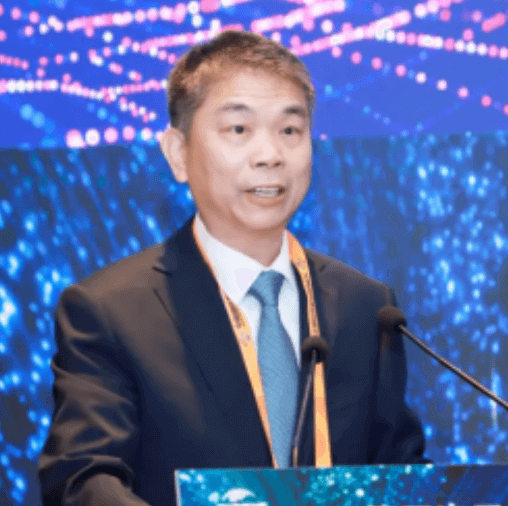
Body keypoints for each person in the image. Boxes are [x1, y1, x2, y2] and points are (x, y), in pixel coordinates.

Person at [38, 30, 427, 506]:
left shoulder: (367, 307)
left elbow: (400, 476)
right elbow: (83, 480)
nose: (270, 155)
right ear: (178, 154)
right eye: (239, 130)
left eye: (290, 130)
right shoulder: (110, 311)